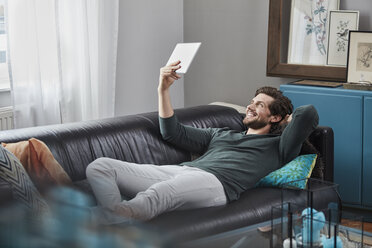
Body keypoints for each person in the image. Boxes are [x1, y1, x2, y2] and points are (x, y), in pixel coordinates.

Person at [86, 61, 319, 224]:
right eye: (251, 101)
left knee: (158, 193)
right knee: (101, 166)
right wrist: (163, 88)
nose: (250, 106)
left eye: (259, 105)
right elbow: (173, 132)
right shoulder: (221, 134)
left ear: (275, 117)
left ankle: (106, 219)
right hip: (178, 172)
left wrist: (288, 119)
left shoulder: (279, 146)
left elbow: (307, 113)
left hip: (215, 184)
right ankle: (117, 220)